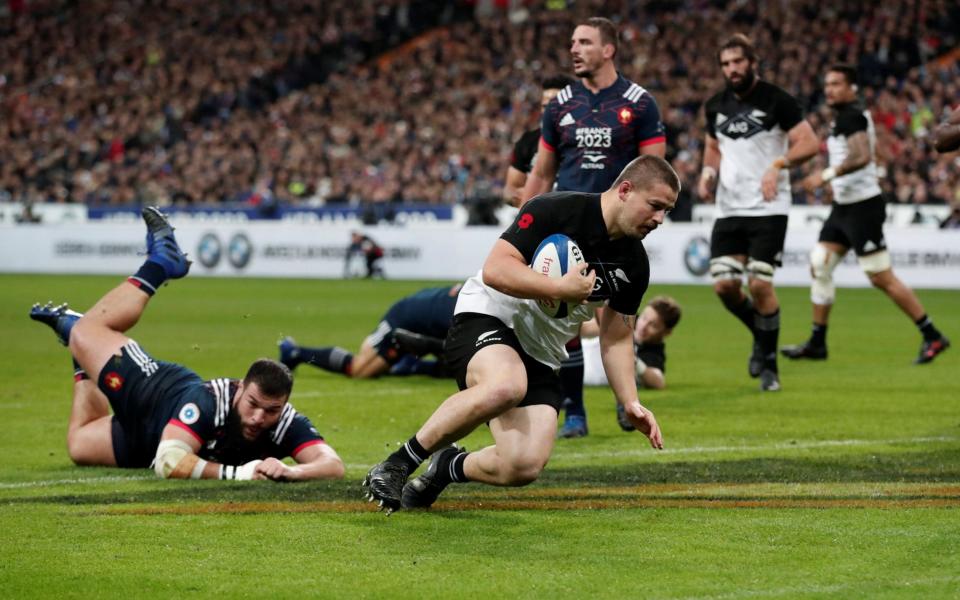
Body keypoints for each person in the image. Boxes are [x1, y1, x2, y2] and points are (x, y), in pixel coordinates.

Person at [362, 155, 677, 514]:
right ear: (625, 190)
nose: (659, 219)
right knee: (506, 386)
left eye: (667, 211)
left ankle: (448, 467)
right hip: (491, 314)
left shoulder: (634, 264)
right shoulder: (556, 210)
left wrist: (630, 401)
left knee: (523, 465)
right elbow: (497, 268)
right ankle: (398, 463)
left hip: (541, 350)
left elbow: (617, 336)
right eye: (655, 206)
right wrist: (557, 287)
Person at [29, 207, 344, 481]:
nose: (259, 417)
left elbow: (332, 465)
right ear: (240, 389)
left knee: (79, 445)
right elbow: (169, 462)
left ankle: (77, 341)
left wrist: (293, 471)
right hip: (151, 394)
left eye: (271, 410)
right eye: (253, 404)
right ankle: (161, 263)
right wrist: (243, 473)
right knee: (89, 330)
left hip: (146, 440)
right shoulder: (208, 400)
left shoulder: (285, 422)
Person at [520, 17, 667, 438]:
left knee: (618, 318)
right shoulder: (559, 104)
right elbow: (543, 170)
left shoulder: (640, 104)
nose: (574, 49)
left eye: (584, 42)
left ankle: (627, 402)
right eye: (572, 42)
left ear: (608, 50)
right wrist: (523, 222)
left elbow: (656, 171)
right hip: (566, 227)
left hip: (616, 229)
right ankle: (576, 412)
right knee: (562, 316)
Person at [781, 65, 950, 364]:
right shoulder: (847, 117)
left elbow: (861, 156)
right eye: (827, 83)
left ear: (852, 88)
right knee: (820, 264)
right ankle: (817, 342)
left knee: (881, 277)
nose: (829, 89)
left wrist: (827, 175)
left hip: (863, 208)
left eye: (836, 84)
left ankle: (932, 335)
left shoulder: (852, 116)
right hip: (845, 207)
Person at [697, 33, 819, 392]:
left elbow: (809, 142)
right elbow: (712, 146)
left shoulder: (777, 100)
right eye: (726, 64)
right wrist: (707, 172)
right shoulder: (715, 105)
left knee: (760, 284)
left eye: (737, 62)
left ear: (752, 63)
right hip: (729, 207)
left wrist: (779, 164)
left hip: (769, 207)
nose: (732, 69)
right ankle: (761, 335)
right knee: (724, 286)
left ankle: (769, 365)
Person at [278, 283, 462, 379]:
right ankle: (296, 353)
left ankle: (409, 361)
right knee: (360, 370)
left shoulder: (475, 297)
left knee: (458, 366)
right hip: (404, 317)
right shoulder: (469, 311)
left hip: (425, 319)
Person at [581, 296, 681, 430]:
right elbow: (583, 329)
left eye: (653, 325)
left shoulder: (652, 352)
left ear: (666, 333)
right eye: (645, 318)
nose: (643, 326)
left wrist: (633, 361)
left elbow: (658, 382)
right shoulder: (625, 320)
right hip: (569, 358)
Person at [502, 74, 576, 207]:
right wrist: (519, 196)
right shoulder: (527, 141)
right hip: (541, 222)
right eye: (544, 106)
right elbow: (510, 189)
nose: (548, 112)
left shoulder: (584, 141)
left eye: (554, 105)